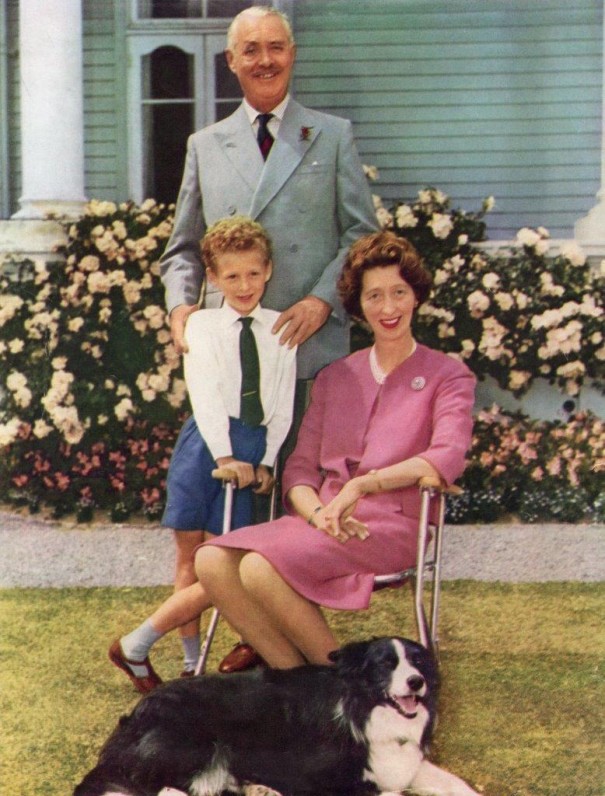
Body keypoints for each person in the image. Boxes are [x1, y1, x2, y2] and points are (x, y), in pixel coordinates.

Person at [108, 231, 475, 688]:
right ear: (357, 306)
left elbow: (446, 458)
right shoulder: (336, 376)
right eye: (374, 295)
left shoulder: (447, 374)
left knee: (260, 565)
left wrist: (362, 486)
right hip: (319, 521)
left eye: (399, 292)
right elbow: (299, 470)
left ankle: (344, 687)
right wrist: (320, 513)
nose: (388, 308)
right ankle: (303, 686)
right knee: (212, 561)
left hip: (393, 524)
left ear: (416, 296)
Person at [160, 5, 377, 672]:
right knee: (232, 494)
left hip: (307, 350)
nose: (263, 59)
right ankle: (244, 629)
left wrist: (319, 297)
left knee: (296, 498)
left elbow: (360, 236)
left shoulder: (330, 135)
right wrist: (179, 310)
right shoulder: (205, 143)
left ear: (292, 54)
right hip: (233, 361)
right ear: (230, 62)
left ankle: (269, 639)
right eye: (248, 49)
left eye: (274, 47)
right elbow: (182, 252)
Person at [109, 216, 297, 692]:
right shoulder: (202, 325)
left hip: (251, 449)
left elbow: (282, 403)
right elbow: (206, 398)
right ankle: (191, 667)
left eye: (253, 273)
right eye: (231, 276)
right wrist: (224, 456)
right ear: (212, 278)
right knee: (190, 560)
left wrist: (268, 461)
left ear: (268, 270)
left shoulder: (280, 327)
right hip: (207, 447)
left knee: (226, 561)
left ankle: (136, 643)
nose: (244, 284)